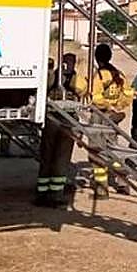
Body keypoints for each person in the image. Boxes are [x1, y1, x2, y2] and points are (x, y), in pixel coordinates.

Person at [36, 53, 87, 207]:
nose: (68, 66)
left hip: (67, 119)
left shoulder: (76, 79)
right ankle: (46, 194)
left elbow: (82, 90)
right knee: (50, 157)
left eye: (70, 63)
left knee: (61, 158)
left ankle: (54, 193)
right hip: (53, 117)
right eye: (66, 62)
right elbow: (45, 87)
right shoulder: (53, 76)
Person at [89, 43, 133, 199]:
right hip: (114, 116)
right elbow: (128, 94)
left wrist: (108, 106)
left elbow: (95, 97)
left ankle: (102, 189)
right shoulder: (119, 74)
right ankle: (123, 183)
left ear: (96, 58)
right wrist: (117, 106)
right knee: (114, 148)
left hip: (100, 116)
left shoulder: (99, 76)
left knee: (96, 151)